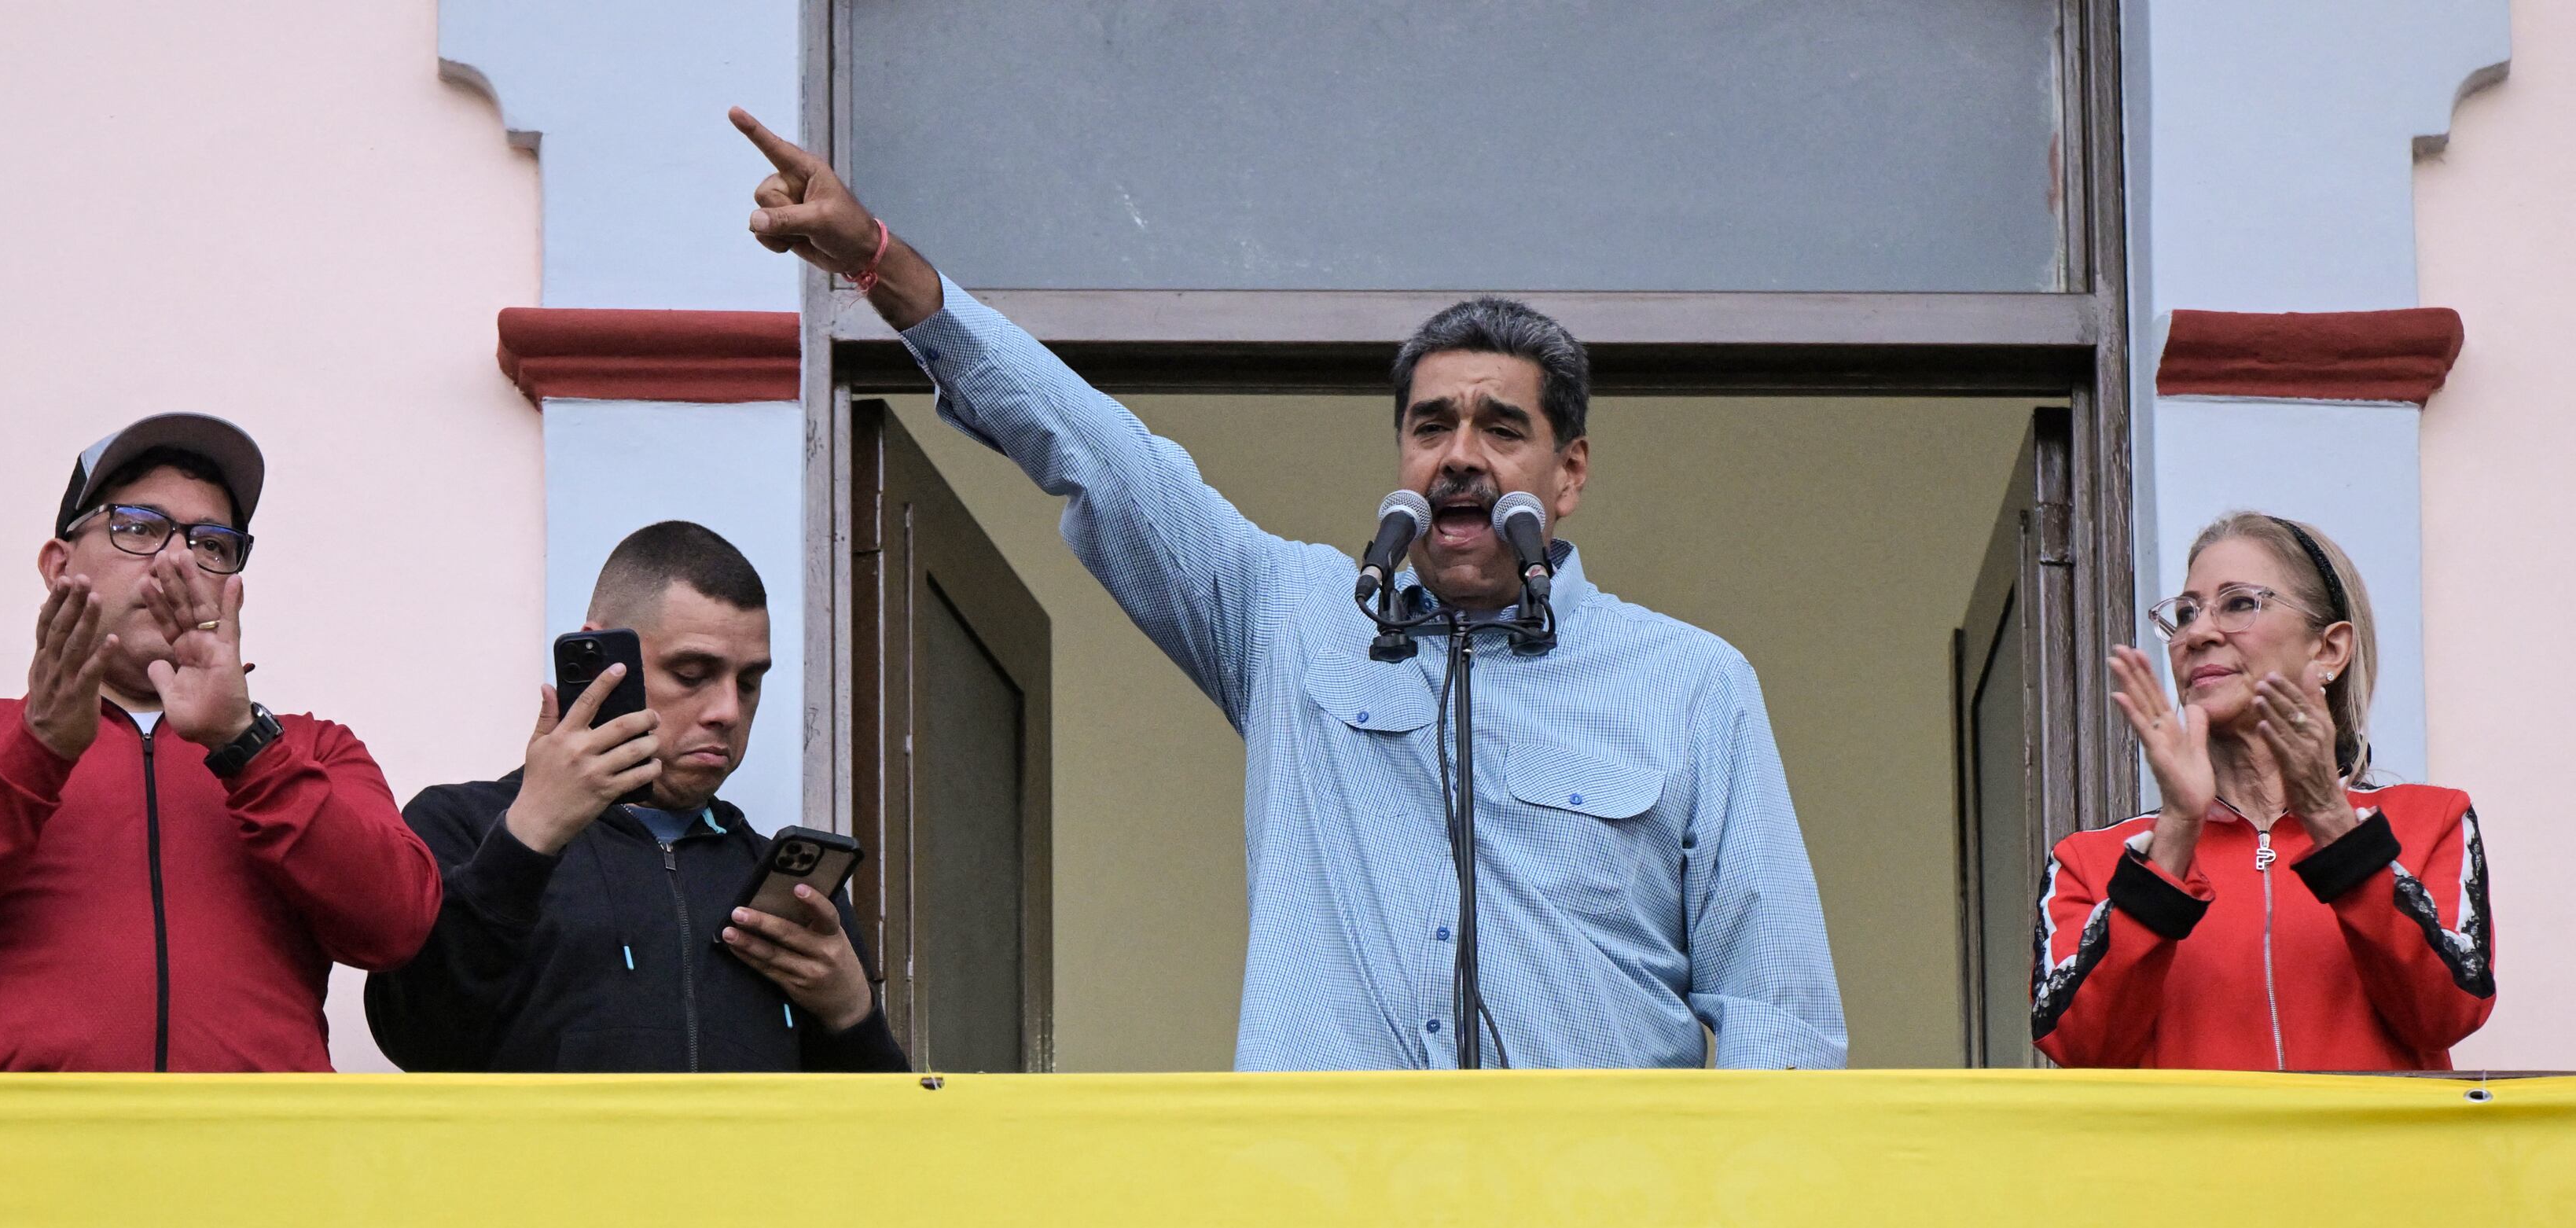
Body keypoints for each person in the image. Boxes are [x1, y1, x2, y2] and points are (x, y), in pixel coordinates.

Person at [729, 110, 1845, 1072]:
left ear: (1570, 475)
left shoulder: (1693, 685)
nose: (1460, 455)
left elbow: (1777, 1014)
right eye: (1429, 427)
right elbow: (1106, 459)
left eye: (1502, 429)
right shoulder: (1295, 618)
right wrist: (883, 264)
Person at [0, 414, 438, 1070]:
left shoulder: (310, 747)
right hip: (15, 1162)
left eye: (212, 543)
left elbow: (398, 927)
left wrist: (244, 746)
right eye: (138, 527)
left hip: (258, 1161)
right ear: (58, 564)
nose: (177, 559)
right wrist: (36, 753)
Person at [367, 521, 902, 1072]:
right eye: (692, 673)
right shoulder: (466, 826)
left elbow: (881, 1138)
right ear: (600, 658)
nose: (728, 711)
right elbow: (414, 1039)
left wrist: (852, 1014)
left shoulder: (789, 893)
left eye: (748, 683)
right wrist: (527, 838)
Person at [2034, 513, 2493, 1072]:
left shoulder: (2431, 821)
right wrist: (2177, 831)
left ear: (2329, 649)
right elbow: (2081, 1047)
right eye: (2186, 613)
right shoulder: (2088, 860)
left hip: (2373, 1161)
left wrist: (2330, 821)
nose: (2198, 633)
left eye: (2238, 603)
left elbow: (2448, 1012)